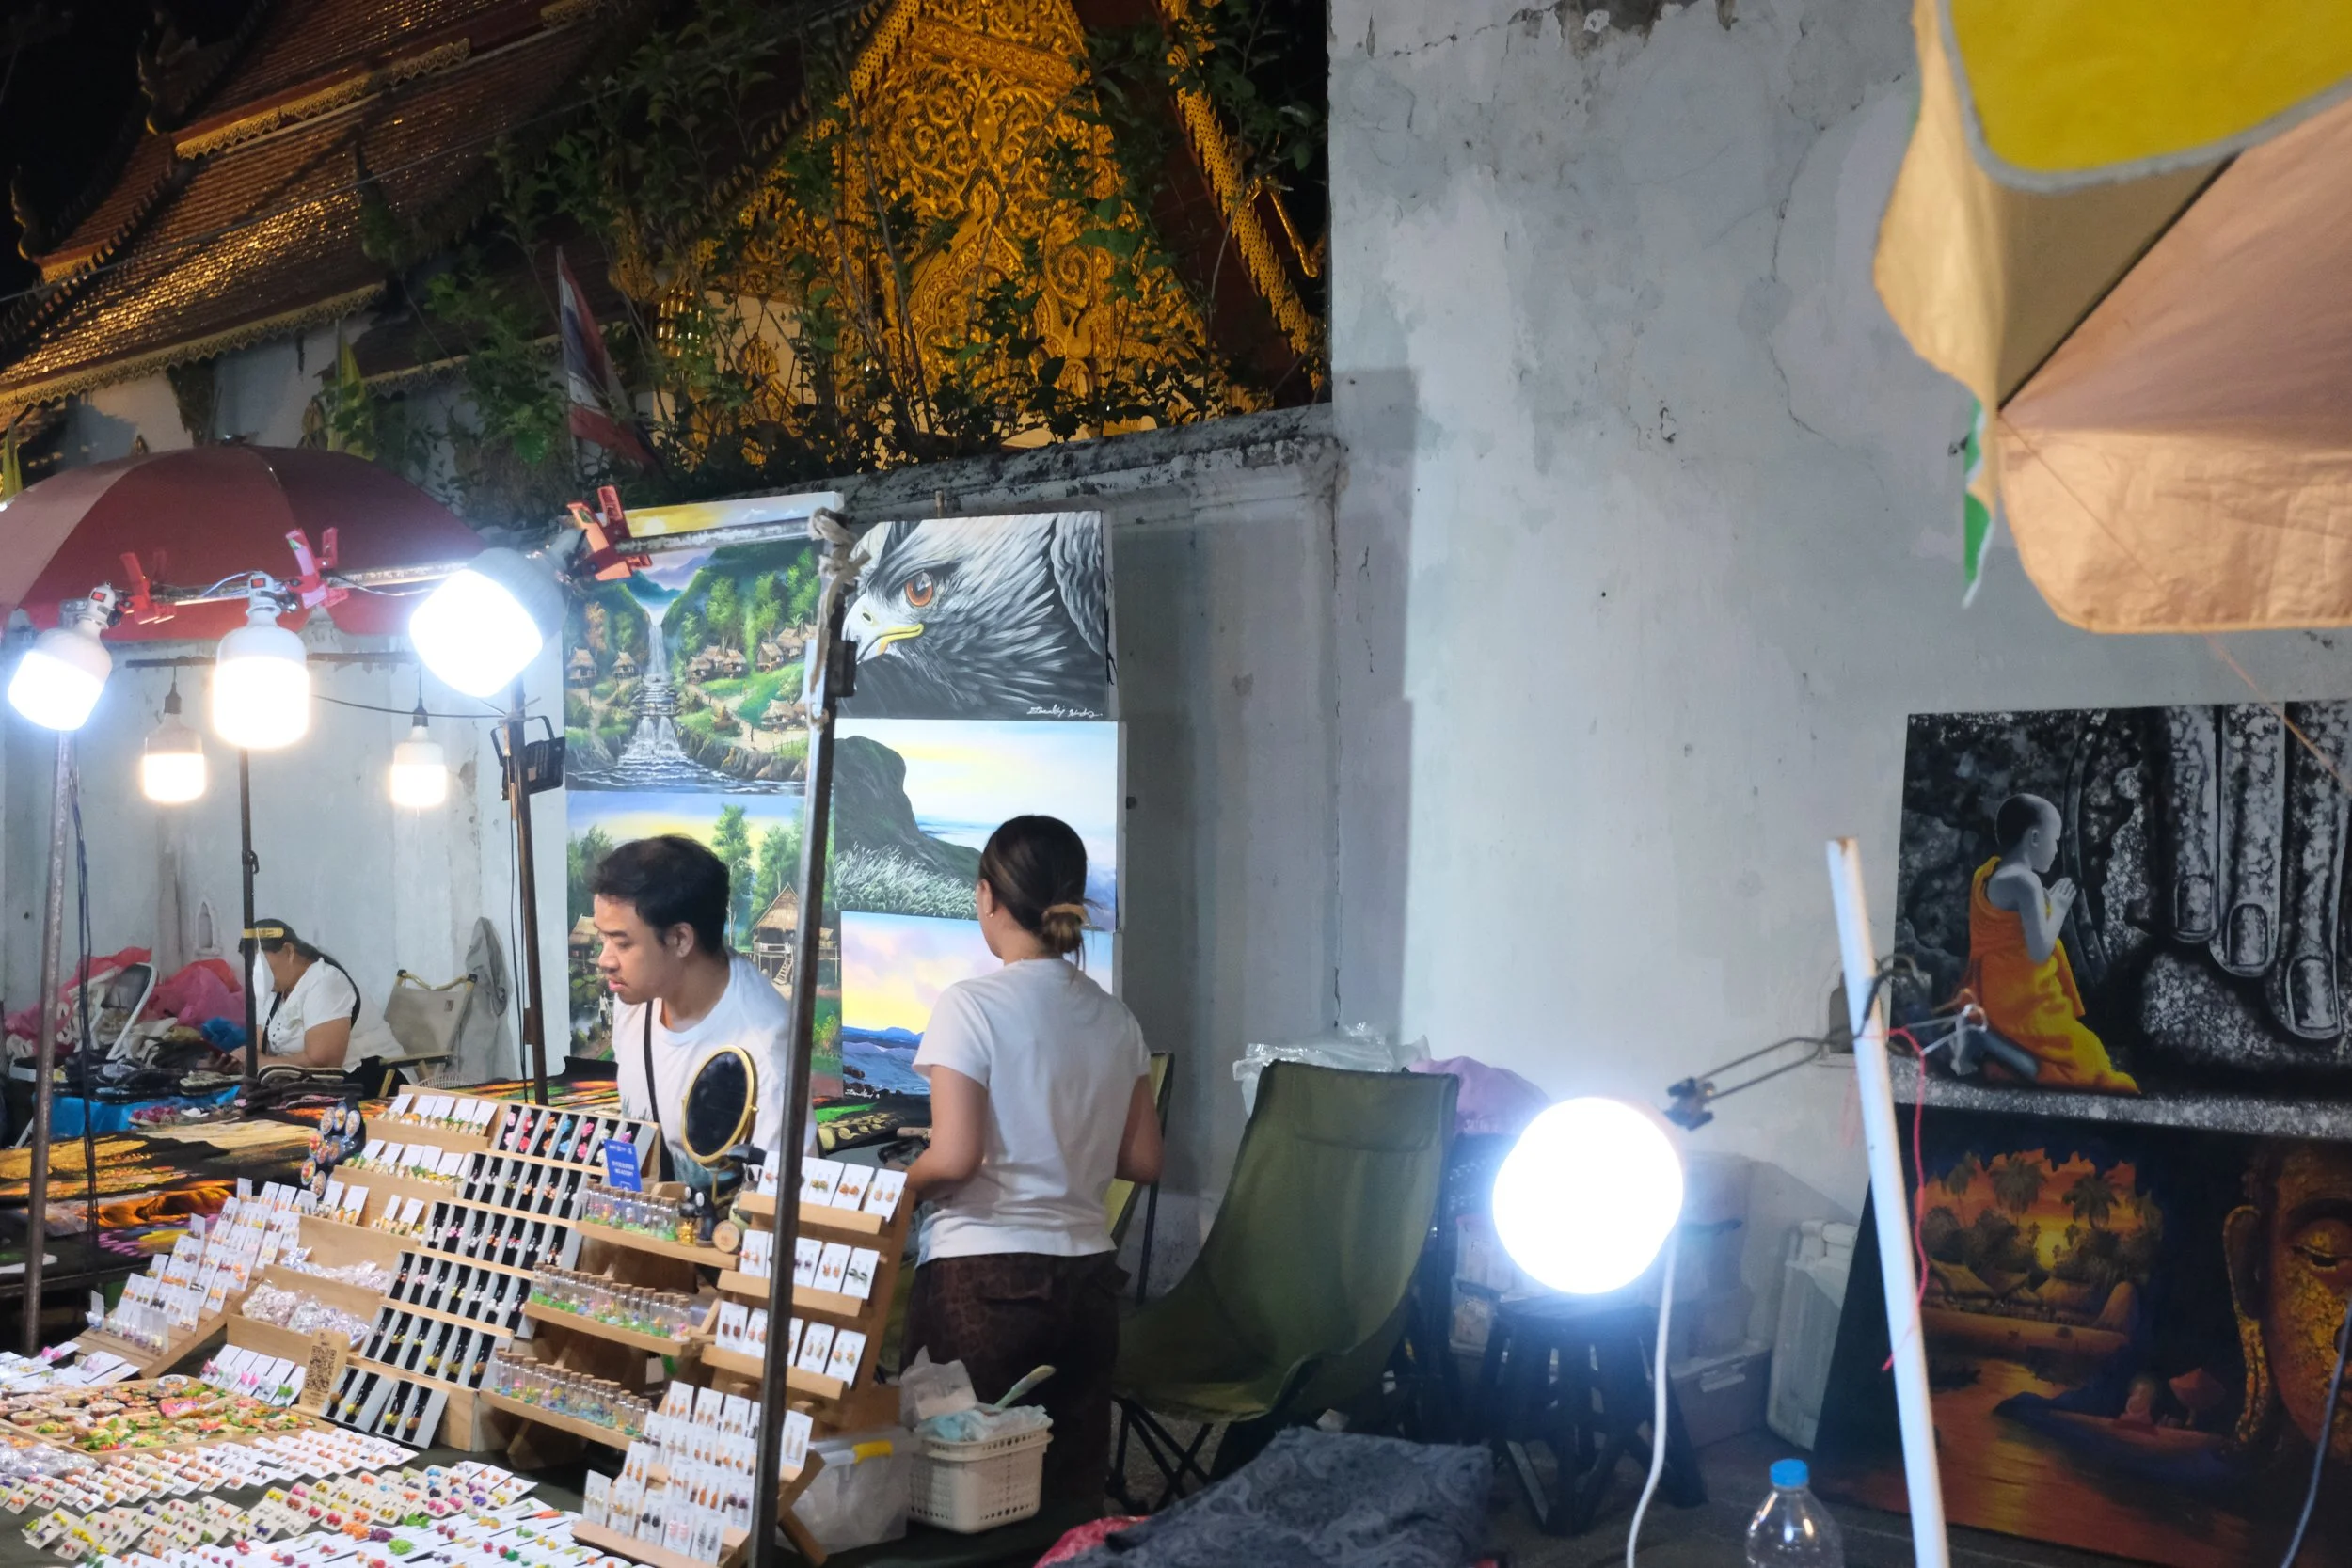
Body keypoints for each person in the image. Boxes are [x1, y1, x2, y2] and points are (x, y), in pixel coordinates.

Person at [901, 815, 1164, 1509]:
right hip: (1087, 1282)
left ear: (987, 896)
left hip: (981, 1281)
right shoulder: (1117, 1018)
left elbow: (955, 1158)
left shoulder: (970, 1005)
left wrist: (899, 1187)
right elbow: (1144, 1157)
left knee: (958, 1500)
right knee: (1064, 1502)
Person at [592, 835, 790, 1179]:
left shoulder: (764, 1052)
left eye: (621, 943)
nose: (604, 960)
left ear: (681, 939)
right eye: (602, 938)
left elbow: (775, 1210)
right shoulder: (636, 997)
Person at [1962, 793, 2140, 1093]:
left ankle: (1990, 1041)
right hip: (2018, 1000)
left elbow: (2009, 936)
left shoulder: (1989, 872)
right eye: (2055, 840)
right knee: (2085, 1063)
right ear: (2034, 837)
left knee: (2083, 1055)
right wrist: (2057, 908)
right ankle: (1984, 1037)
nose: (2057, 850)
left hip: (1998, 990)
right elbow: (2040, 951)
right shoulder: (2025, 882)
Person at [253, 920, 398, 1071]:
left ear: (289, 951)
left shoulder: (326, 982)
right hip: (311, 1081)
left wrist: (264, 1063)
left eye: (259, 964)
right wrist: (242, 1059)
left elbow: (323, 1062)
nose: (257, 974)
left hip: (370, 1073)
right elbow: (258, 1048)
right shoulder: (274, 989)